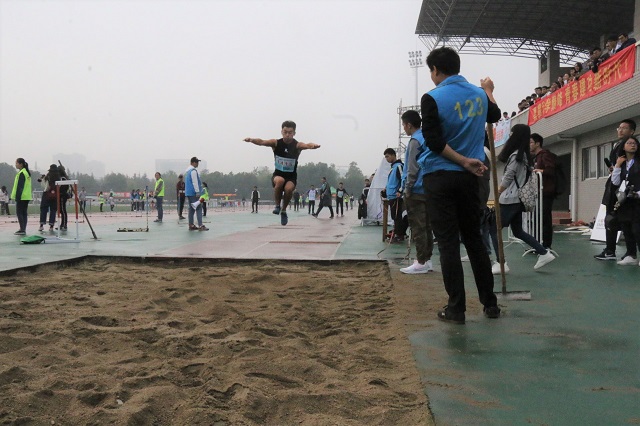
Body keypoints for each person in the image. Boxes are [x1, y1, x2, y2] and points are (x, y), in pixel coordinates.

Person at [419, 47, 501, 324]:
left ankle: (456, 308)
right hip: (469, 180)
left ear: (435, 70)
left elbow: (434, 142)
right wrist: (488, 90)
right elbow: (494, 114)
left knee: (448, 243)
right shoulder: (478, 95)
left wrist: (462, 160)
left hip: (440, 176)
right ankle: (490, 303)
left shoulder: (432, 97)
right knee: (474, 239)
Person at [497, 124, 556, 271]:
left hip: (510, 199)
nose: (509, 137)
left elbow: (509, 176)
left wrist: (499, 191)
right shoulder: (525, 156)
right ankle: (543, 252)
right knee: (518, 231)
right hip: (518, 199)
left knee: (493, 228)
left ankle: (500, 262)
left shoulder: (516, 156)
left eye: (511, 134)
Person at [244, 120, 321, 226]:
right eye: (285, 132)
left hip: (291, 177)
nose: (287, 135)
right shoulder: (276, 143)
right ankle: (277, 206)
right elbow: (262, 142)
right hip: (278, 175)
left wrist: (313, 146)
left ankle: (283, 210)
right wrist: (252, 140)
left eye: (290, 132)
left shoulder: (297, 145)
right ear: (281, 132)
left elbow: (307, 145)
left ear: (294, 133)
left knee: (289, 189)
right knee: (280, 181)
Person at [595, 119, 636, 260]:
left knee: (626, 220)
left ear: (632, 132)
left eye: (624, 128)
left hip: (624, 189)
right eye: (619, 128)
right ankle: (610, 250)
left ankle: (627, 252)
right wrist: (615, 168)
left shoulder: (630, 149)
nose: (620, 130)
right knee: (611, 218)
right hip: (615, 185)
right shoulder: (617, 145)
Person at [399, 110, 434, 274]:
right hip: (427, 188)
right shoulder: (426, 137)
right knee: (427, 226)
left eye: (403, 125)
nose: (404, 128)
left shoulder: (415, 141)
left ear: (408, 125)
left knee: (418, 228)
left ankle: (420, 262)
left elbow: (412, 168)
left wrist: (408, 188)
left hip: (416, 190)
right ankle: (427, 259)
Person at [610, 136, 640, 265]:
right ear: (623, 146)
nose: (632, 145)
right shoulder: (621, 164)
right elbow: (615, 182)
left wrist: (638, 193)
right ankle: (631, 255)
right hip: (624, 201)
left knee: (637, 229)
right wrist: (617, 165)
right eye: (629, 143)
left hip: (637, 200)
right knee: (626, 228)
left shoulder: (638, 162)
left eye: (635, 143)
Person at [530, 133, 556, 249]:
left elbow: (551, 171)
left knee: (545, 219)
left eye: (531, 142)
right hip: (538, 192)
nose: (529, 145)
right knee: (537, 218)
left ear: (537, 143)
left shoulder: (545, 155)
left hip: (546, 192)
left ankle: (546, 245)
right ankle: (537, 244)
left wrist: (541, 171)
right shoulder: (536, 157)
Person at [382, 148, 408, 243]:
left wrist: (400, 191)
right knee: (395, 216)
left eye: (388, 156)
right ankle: (398, 233)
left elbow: (403, 179)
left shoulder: (399, 166)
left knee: (397, 216)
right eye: (385, 157)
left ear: (393, 155)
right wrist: (385, 190)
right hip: (391, 196)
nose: (387, 159)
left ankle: (399, 235)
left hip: (396, 196)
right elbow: (391, 182)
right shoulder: (392, 168)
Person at [185, 156, 208, 231]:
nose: (198, 163)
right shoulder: (193, 171)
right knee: (198, 208)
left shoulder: (187, 171)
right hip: (193, 192)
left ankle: (191, 224)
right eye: (197, 162)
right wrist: (197, 192)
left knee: (191, 209)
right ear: (193, 163)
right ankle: (200, 225)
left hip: (189, 192)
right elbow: (195, 182)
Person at [11, 158, 32, 235]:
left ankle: (22, 229)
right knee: (24, 213)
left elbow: (20, 186)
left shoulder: (22, 173)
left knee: (19, 213)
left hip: (22, 196)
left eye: (16, 163)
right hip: (26, 196)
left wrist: (18, 197)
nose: (15, 165)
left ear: (21, 164)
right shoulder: (26, 172)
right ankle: (23, 229)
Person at [37, 164, 60, 232]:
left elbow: (43, 185)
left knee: (43, 209)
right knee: (53, 210)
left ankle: (41, 225)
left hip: (46, 194)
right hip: (55, 195)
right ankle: (51, 226)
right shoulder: (58, 177)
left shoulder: (47, 176)